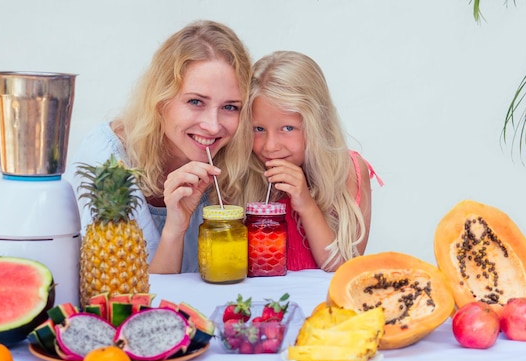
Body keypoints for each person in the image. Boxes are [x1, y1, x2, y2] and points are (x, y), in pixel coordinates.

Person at [66, 20, 253, 274]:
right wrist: (175, 229)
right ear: (160, 99)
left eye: (230, 107)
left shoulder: (229, 163)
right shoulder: (106, 160)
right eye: (196, 101)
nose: (212, 126)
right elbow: (129, 300)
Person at [243, 51, 383, 272]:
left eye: (287, 128)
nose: (270, 146)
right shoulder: (246, 170)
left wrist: (305, 203)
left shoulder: (348, 170)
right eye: (258, 129)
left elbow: (342, 269)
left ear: (317, 124)